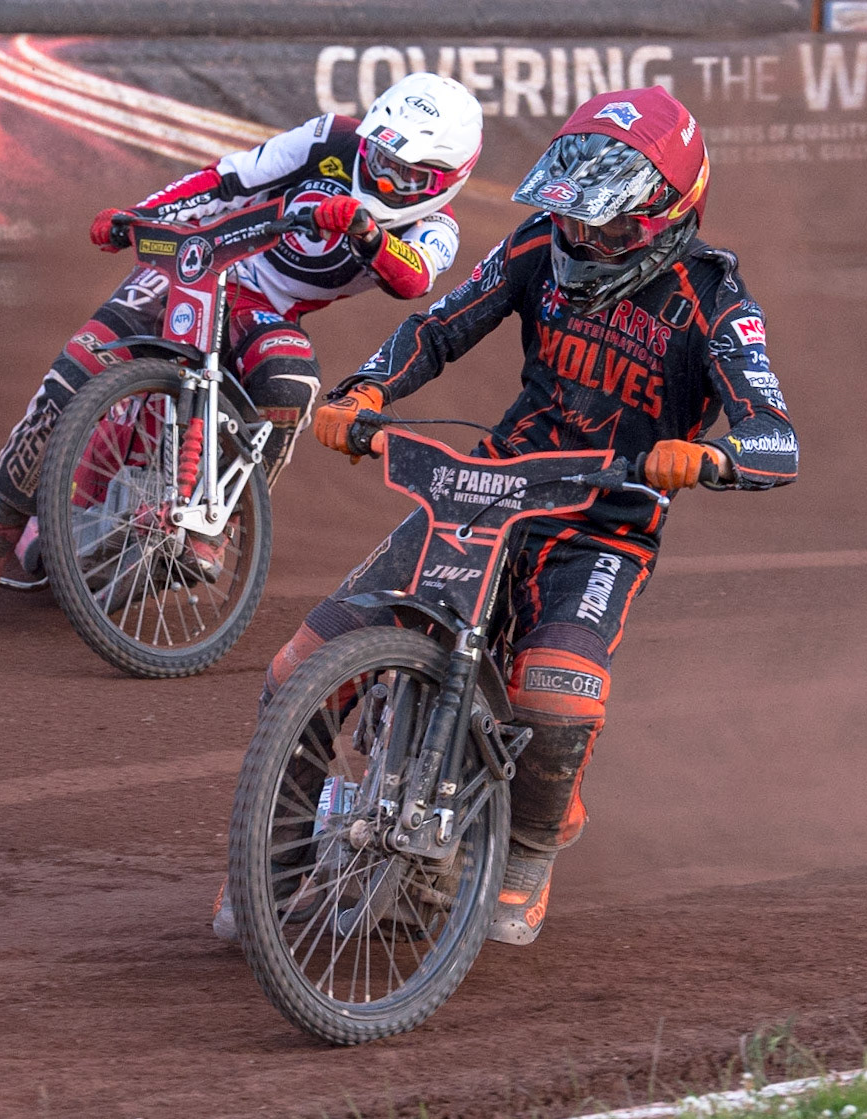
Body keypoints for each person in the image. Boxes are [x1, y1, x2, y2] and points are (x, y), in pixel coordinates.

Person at [215, 86, 798, 945]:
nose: (579, 240)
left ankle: (528, 851)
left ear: (669, 215)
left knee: (552, 693)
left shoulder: (714, 301)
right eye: (571, 217)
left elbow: (778, 438)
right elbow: (442, 326)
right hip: (489, 486)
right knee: (302, 663)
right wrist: (366, 390)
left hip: (603, 519)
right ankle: (280, 853)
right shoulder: (536, 243)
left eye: (606, 228)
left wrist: (709, 455)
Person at [0, 72, 484, 606]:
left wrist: (367, 232)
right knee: (78, 365)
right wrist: (142, 216)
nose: (387, 181)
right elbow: (226, 181)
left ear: (448, 181)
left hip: (263, 310)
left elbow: (413, 277)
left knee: (293, 383)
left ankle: (216, 525)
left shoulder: (438, 229)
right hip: (196, 264)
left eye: (408, 177)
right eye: (381, 162)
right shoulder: (329, 139)